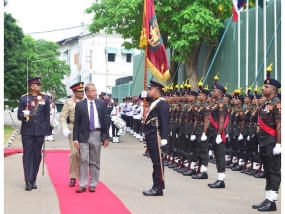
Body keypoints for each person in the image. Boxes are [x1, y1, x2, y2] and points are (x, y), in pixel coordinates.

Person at [73, 83, 110, 193]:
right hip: (83, 135)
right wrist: (75, 139)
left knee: (94, 160)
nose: (95, 92)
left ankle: (93, 183)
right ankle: (83, 184)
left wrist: (106, 137)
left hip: (96, 134)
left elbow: (105, 122)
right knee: (84, 159)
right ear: (87, 92)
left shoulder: (100, 104)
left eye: (95, 90)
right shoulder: (80, 105)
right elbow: (76, 123)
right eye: (93, 91)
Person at [252, 77, 281, 212]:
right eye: (264, 86)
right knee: (267, 171)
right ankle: (268, 198)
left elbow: (279, 126)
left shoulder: (277, 104)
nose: (263, 88)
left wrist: (279, 145)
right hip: (264, 142)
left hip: (272, 142)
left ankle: (273, 200)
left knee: (274, 171)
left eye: (266, 87)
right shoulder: (265, 104)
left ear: (273, 90)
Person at [17, 77, 50, 191]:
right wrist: (24, 115)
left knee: (37, 156)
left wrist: (47, 131)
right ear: (32, 86)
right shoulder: (24, 99)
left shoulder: (45, 98)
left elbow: (47, 116)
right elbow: (19, 116)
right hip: (27, 131)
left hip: (39, 131)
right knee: (27, 155)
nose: (40, 86)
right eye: (37, 84)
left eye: (40, 84)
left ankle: (33, 179)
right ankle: (27, 180)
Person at [140, 80, 169, 196]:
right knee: (155, 162)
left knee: (158, 162)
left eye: (150, 89)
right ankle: (157, 186)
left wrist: (164, 137)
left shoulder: (161, 103)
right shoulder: (155, 101)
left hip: (156, 135)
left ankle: (157, 188)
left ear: (157, 91)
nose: (148, 91)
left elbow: (165, 120)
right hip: (151, 134)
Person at [59, 82, 85, 187]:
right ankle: (73, 176)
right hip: (73, 129)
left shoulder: (87, 101)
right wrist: (64, 128)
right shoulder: (69, 102)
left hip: (85, 130)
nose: (81, 93)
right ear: (74, 92)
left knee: (83, 155)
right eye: (79, 92)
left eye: (82, 91)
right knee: (74, 154)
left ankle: (83, 177)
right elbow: (62, 116)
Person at [207, 80, 229, 188]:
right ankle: (219, 178)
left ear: (219, 93)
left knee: (220, 156)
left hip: (218, 133)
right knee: (217, 155)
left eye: (214, 91)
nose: (212, 92)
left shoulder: (221, 104)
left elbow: (221, 120)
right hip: (214, 133)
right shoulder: (216, 103)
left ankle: (221, 180)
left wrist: (219, 135)